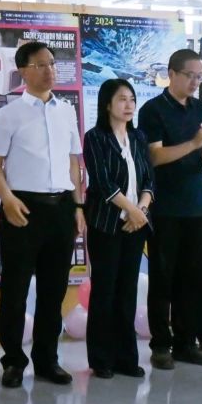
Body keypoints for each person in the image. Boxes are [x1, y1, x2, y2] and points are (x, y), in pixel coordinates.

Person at [0, 40, 85, 388]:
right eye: (40, 65)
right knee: (15, 290)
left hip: (61, 208)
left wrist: (78, 205)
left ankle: (47, 360)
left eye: (52, 64)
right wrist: (7, 199)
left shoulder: (66, 111)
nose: (49, 71)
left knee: (53, 290)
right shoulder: (9, 114)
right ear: (23, 72)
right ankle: (13, 361)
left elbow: (73, 162)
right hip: (22, 208)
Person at [137, 48, 202, 368]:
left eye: (199, 77)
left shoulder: (201, 108)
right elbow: (155, 156)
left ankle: (187, 343)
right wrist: (195, 143)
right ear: (171, 74)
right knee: (163, 278)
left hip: (197, 204)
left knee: (192, 278)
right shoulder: (153, 110)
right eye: (190, 75)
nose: (195, 82)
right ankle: (161, 345)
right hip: (165, 206)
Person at [82, 78, 153, 378]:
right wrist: (131, 210)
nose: (129, 105)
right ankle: (101, 359)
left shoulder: (138, 137)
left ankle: (126, 358)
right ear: (107, 104)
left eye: (132, 99)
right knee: (105, 290)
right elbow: (101, 181)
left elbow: (149, 179)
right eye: (122, 99)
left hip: (137, 224)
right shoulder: (95, 137)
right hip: (107, 223)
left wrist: (142, 210)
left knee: (127, 291)